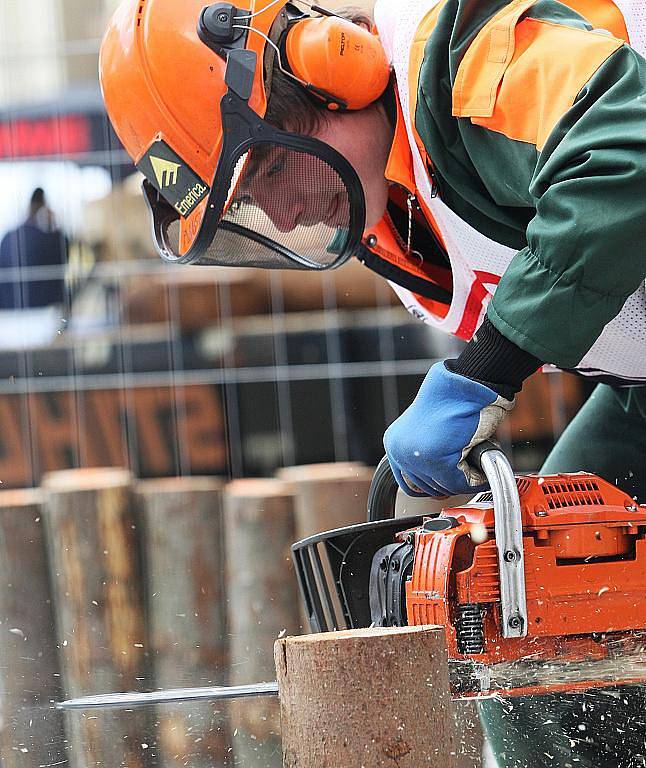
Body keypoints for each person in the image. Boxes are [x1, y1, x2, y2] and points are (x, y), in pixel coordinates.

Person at [100, 0, 646, 764]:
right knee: (536, 644)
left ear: (331, 69)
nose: (286, 210)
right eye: (255, 203)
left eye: (270, 170)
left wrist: (488, 367)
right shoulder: (396, 217)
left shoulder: (476, 59)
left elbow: (625, 157)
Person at [0, 188, 68, 310]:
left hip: (11, 310)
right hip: (44, 309)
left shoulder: (9, 237)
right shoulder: (49, 240)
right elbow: (64, 252)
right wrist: (54, 223)